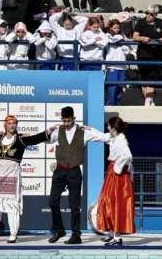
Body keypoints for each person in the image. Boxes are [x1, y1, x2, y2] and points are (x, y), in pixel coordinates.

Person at [46, 106, 110, 245]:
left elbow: (105, 138)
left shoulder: (83, 132)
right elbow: (47, 140)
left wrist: (92, 129)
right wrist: (48, 131)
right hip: (59, 170)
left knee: (74, 205)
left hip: (74, 171)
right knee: (52, 202)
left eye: (69, 121)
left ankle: (76, 235)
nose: (66, 124)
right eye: (64, 121)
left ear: (74, 118)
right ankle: (59, 230)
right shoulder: (58, 130)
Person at [0, 116, 51, 243]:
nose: (12, 125)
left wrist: (49, 131)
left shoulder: (20, 139)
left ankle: (13, 233)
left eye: (14, 123)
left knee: (12, 204)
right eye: (9, 123)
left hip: (12, 175)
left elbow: (36, 139)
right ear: (5, 125)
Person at [96, 117, 135, 246]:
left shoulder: (120, 140)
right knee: (107, 201)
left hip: (117, 176)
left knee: (114, 203)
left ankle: (117, 237)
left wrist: (118, 167)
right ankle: (111, 233)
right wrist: (89, 130)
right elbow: (101, 136)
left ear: (113, 128)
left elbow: (128, 156)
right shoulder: (114, 138)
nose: (107, 128)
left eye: (108, 126)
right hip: (113, 173)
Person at [132, 5, 162, 106]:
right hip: (143, 54)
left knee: (152, 77)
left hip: (157, 54)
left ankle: (148, 99)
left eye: (151, 14)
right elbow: (135, 36)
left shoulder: (160, 22)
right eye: (146, 13)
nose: (148, 16)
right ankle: (149, 99)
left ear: (155, 15)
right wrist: (142, 39)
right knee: (145, 77)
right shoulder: (141, 22)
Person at [105, 19, 130, 106]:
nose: (116, 30)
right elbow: (111, 40)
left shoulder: (122, 36)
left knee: (120, 87)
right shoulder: (107, 35)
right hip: (112, 66)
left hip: (122, 66)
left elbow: (127, 50)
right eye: (114, 28)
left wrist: (122, 44)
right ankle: (110, 105)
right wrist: (120, 40)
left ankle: (118, 105)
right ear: (110, 28)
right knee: (112, 87)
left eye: (118, 28)